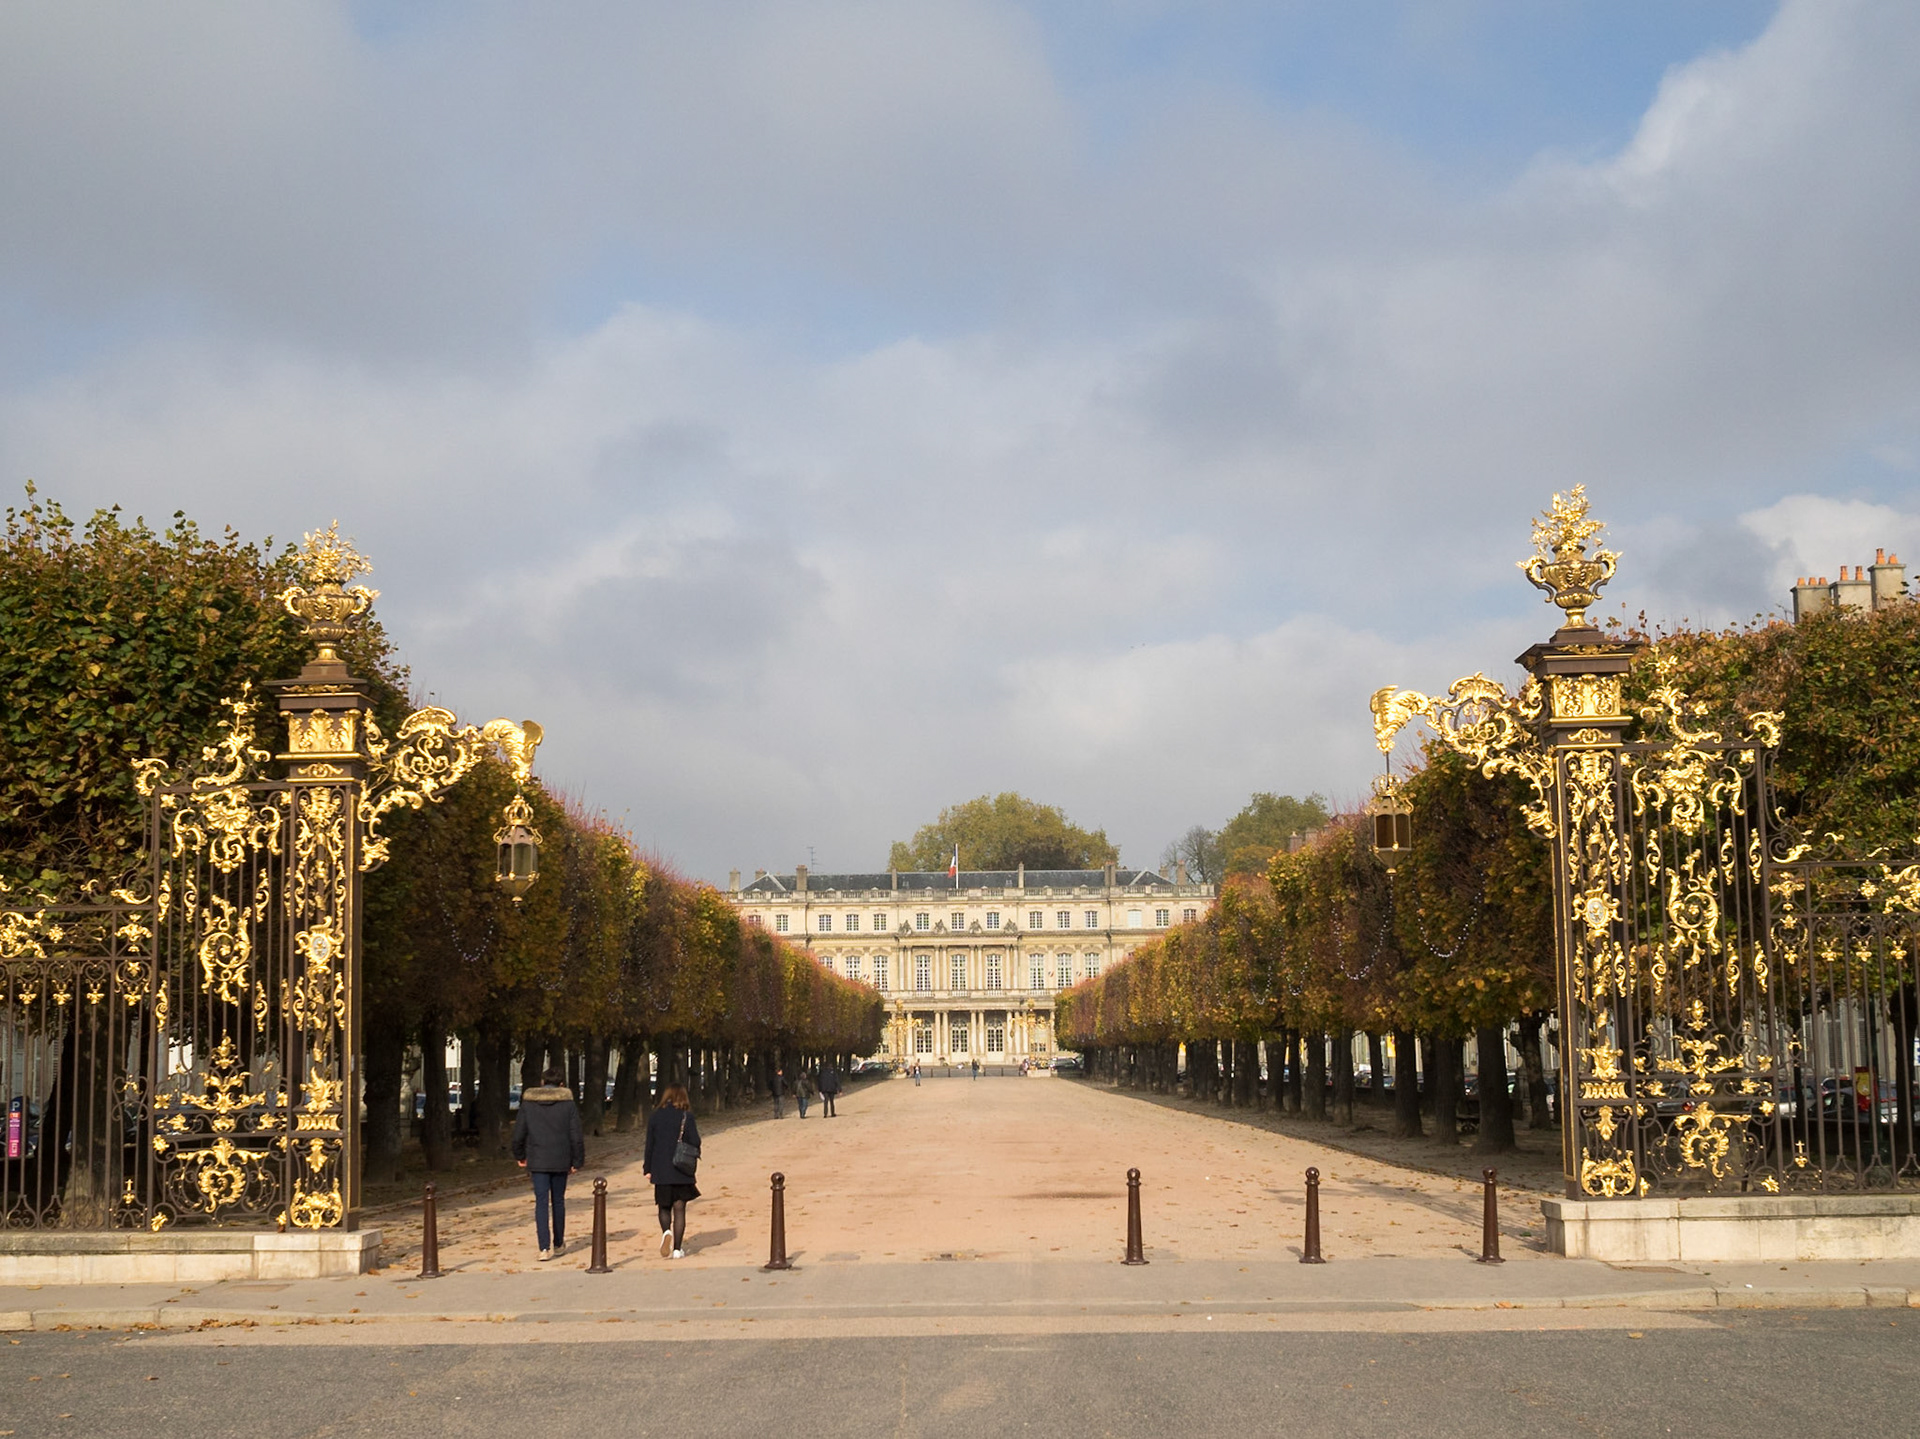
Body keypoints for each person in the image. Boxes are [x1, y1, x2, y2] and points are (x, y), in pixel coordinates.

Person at [510, 1067, 583, 1261]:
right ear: (561, 1085)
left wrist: (520, 1155)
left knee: (541, 1202)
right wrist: (577, 1161)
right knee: (558, 1201)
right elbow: (576, 1136)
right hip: (561, 1159)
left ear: (542, 1083)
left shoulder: (528, 1104)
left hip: (537, 1159)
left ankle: (543, 1247)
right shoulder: (568, 1105)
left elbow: (518, 1134)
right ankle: (558, 1243)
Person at [643, 1083, 700, 1259]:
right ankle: (677, 1249)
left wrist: (648, 1168)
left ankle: (666, 1231)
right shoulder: (686, 1116)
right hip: (681, 1169)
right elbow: (695, 1140)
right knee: (680, 1208)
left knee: (664, 1207)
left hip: (661, 1168)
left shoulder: (655, 1116)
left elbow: (649, 1144)